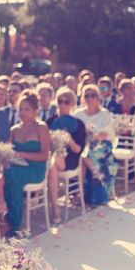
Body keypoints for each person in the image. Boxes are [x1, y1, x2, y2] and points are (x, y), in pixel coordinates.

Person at [1, 90, 50, 236]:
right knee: (2, 172)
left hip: (36, 169)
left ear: (36, 111)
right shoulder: (15, 129)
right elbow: (7, 151)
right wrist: (4, 158)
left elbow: (44, 155)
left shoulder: (41, 128)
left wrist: (21, 154)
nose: (23, 112)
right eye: (20, 109)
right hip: (16, 165)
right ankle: (3, 214)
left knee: (12, 174)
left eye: (27, 109)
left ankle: (13, 223)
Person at [74, 85, 117, 205]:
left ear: (98, 97)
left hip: (102, 146)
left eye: (93, 95)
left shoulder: (105, 114)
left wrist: (92, 136)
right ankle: (92, 179)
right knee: (83, 156)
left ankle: (82, 192)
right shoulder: (78, 114)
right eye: (86, 95)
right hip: (84, 145)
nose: (90, 98)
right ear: (83, 98)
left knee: (85, 156)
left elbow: (105, 134)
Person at [47, 88, 85, 223]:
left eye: (66, 102)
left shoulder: (78, 124)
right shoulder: (51, 121)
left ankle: (55, 209)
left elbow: (78, 150)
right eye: (60, 101)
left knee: (52, 163)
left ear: (72, 104)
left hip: (69, 160)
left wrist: (69, 140)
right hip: (50, 156)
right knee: (51, 164)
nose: (62, 104)